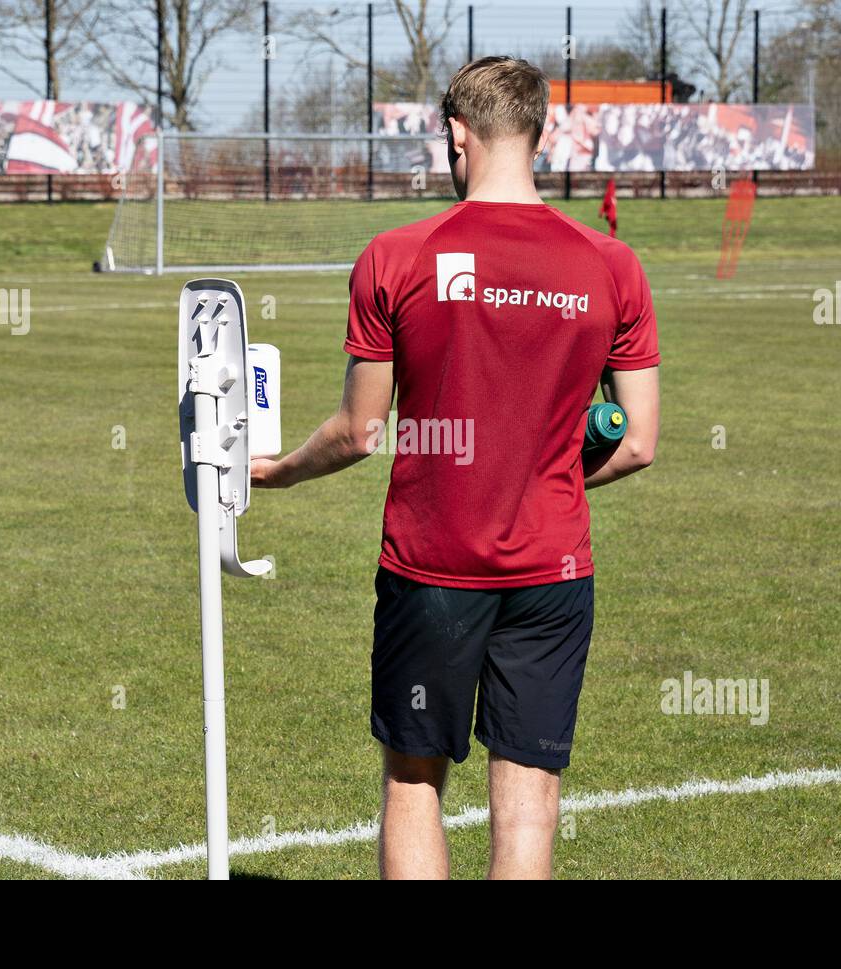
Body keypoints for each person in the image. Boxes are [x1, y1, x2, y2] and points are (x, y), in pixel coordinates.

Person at [251, 56, 660, 879]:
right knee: (529, 792)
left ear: (455, 134)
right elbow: (640, 441)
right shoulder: (612, 264)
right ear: (540, 134)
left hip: (432, 568)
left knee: (413, 782)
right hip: (553, 569)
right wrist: (539, 476)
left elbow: (358, 430)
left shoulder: (398, 255)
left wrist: (278, 471)